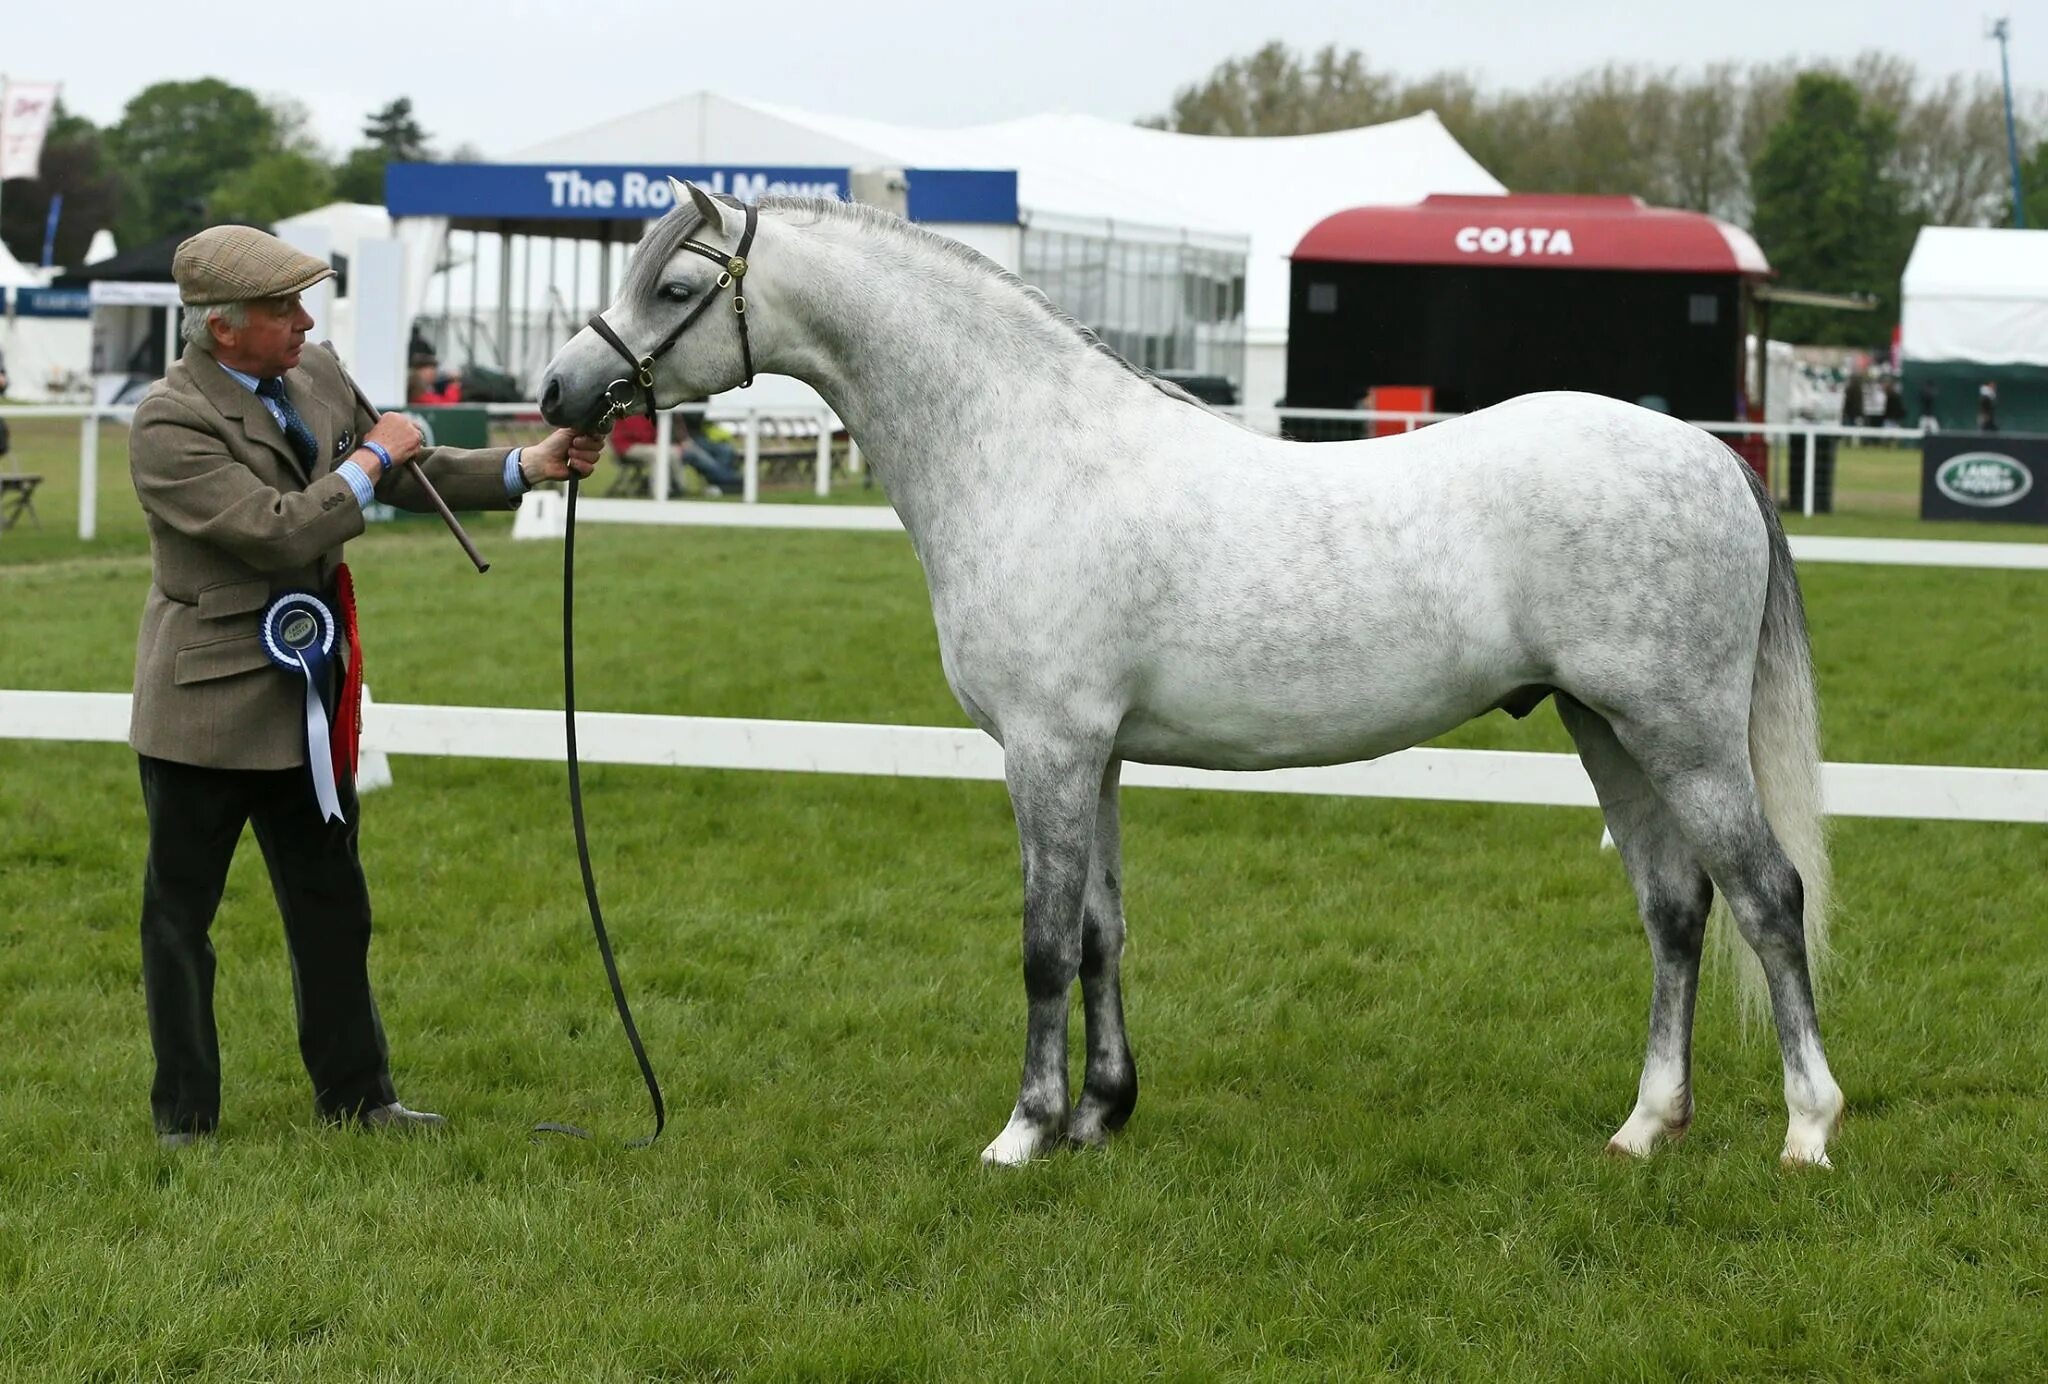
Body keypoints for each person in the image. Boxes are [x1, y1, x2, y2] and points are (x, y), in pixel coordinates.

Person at [128, 225, 603, 1146]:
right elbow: (275, 529)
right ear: (222, 330)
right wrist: (371, 458)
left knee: (334, 909)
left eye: (306, 304)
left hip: (309, 698)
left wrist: (522, 467)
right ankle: (184, 1118)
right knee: (180, 922)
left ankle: (360, 1100)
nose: (305, 322)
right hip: (204, 713)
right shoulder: (168, 419)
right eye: (282, 310)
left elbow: (405, 472)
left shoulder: (314, 372)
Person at [608, 409, 746, 495]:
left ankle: (679, 488)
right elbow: (637, 435)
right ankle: (659, 490)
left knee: (674, 452)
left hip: (664, 444)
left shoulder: (652, 411)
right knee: (662, 454)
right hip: (628, 447)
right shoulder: (631, 411)